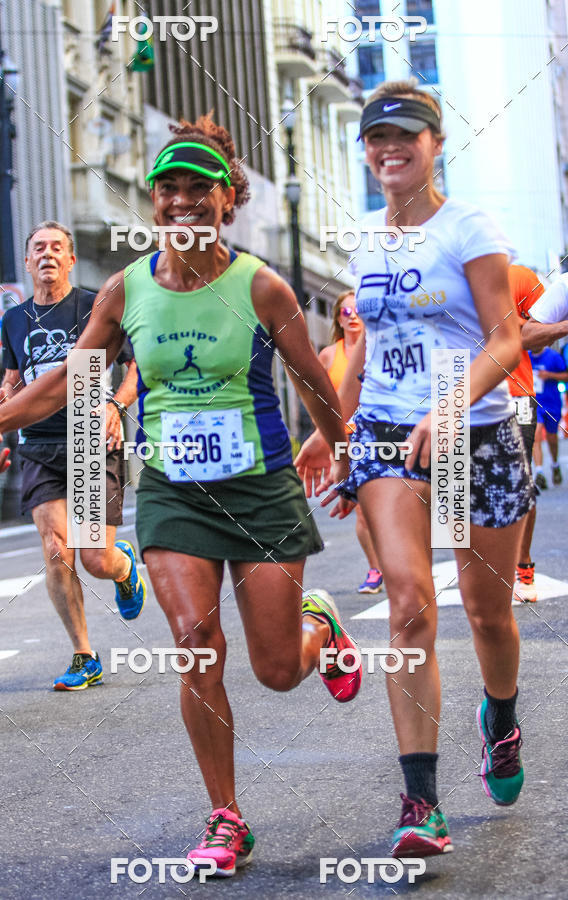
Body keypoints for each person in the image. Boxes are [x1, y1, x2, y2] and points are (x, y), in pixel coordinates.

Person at [0, 117, 361, 878]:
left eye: (198, 190)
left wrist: (339, 449)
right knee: (195, 644)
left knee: (278, 668)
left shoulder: (262, 286)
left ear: (226, 202)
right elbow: (67, 381)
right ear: (154, 204)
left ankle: (321, 628)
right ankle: (226, 816)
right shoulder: (126, 289)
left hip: (259, 490)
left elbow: (314, 382)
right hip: (176, 496)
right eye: (169, 189)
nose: (183, 202)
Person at [296, 81, 534, 858]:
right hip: (390, 430)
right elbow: (364, 342)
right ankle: (420, 802)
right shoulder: (363, 238)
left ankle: (500, 718)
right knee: (409, 604)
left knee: (487, 613)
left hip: (475, 429)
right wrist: (329, 426)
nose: (388, 148)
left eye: (405, 135)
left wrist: (454, 406)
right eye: (376, 138)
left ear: (435, 144)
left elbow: (505, 339)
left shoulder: (469, 227)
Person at [0, 221, 146, 691]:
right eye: (38, 248)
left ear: (71, 259)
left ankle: (124, 566)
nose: (48, 254)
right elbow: (13, 378)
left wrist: (116, 404)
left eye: (57, 247)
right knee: (57, 551)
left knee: (96, 558)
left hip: (90, 438)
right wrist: (1, 401)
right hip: (38, 445)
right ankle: (83, 655)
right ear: (28, 261)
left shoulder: (95, 306)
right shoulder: (14, 320)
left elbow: (134, 366)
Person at [319, 290, 384, 593]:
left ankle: (395, 562)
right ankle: (376, 569)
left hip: (380, 434)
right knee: (361, 507)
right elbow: (320, 401)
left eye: (357, 310)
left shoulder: (377, 347)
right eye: (346, 312)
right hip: (346, 438)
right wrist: (322, 441)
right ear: (338, 318)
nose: (353, 316)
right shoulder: (329, 355)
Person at [504, 266, 544, 602]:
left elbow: (541, 339)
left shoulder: (519, 277)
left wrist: (503, 315)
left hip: (515, 395)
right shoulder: (443, 276)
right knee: (457, 485)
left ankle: (523, 566)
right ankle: (485, 569)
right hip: (456, 393)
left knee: (521, 482)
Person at [529, 346, 568, 488]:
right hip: (534, 403)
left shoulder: (553, 356)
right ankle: (539, 472)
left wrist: (549, 375)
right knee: (536, 433)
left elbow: (566, 375)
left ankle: (555, 464)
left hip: (552, 403)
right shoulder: (525, 356)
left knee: (552, 438)